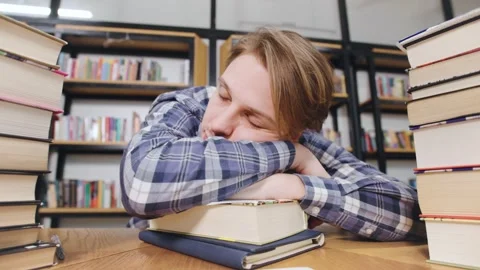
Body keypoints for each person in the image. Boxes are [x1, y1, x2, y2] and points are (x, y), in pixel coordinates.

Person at [119, 27, 425, 241]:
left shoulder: (302, 136)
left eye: (253, 118)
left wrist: (296, 187)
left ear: (294, 131)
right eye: (224, 95)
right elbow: (142, 181)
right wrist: (294, 156)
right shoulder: (188, 104)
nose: (219, 123)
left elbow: (409, 210)